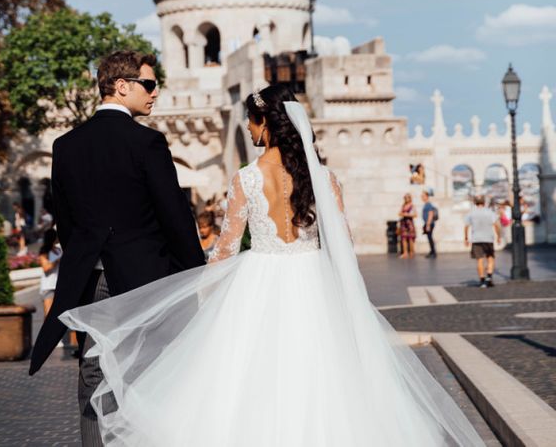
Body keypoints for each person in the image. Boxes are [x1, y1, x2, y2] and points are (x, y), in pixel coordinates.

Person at [60, 85, 484, 446]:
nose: (247, 128)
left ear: (265, 123)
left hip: (258, 282)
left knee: (250, 382)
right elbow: (344, 247)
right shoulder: (325, 179)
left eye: (251, 120)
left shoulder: (246, 178)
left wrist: (204, 294)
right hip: (314, 281)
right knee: (326, 375)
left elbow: (225, 249)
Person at [29, 50, 205, 446]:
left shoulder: (66, 145)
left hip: (90, 277)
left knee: (94, 371)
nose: (155, 93)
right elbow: (173, 215)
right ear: (121, 86)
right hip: (146, 278)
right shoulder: (147, 143)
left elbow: (66, 222)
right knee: (152, 372)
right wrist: (193, 272)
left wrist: (86, 259)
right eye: (149, 84)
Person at [465, 196, 501, 288]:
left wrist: (466, 238)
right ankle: (489, 277)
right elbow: (496, 225)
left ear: (475, 203)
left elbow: (466, 226)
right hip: (488, 238)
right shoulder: (490, 212)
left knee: (480, 260)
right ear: (484, 203)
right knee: (490, 258)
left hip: (476, 239)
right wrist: (498, 236)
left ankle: (482, 279)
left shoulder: (471, 213)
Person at [38, 229, 62, 318]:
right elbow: (46, 268)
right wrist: (57, 260)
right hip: (48, 286)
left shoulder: (59, 249)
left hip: (59, 285)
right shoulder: (44, 251)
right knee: (48, 316)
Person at [421, 189, 438, 258]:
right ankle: (432, 251)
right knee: (429, 237)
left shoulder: (428, 204)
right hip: (428, 223)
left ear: (427, 196)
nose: (422, 197)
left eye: (423, 196)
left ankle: (433, 252)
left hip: (429, 223)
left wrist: (428, 225)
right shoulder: (426, 204)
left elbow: (430, 214)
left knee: (430, 238)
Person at [398, 193, 416, 258]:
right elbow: (399, 213)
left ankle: (411, 252)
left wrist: (407, 214)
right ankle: (405, 253)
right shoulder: (403, 206)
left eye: (407, 197)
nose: (406, 199)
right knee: (404, 238)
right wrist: (402, 214)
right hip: (404, 223)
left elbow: (415, 215)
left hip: (409, 223)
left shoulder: (412, 206)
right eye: (405, 198)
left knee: (411, 238)